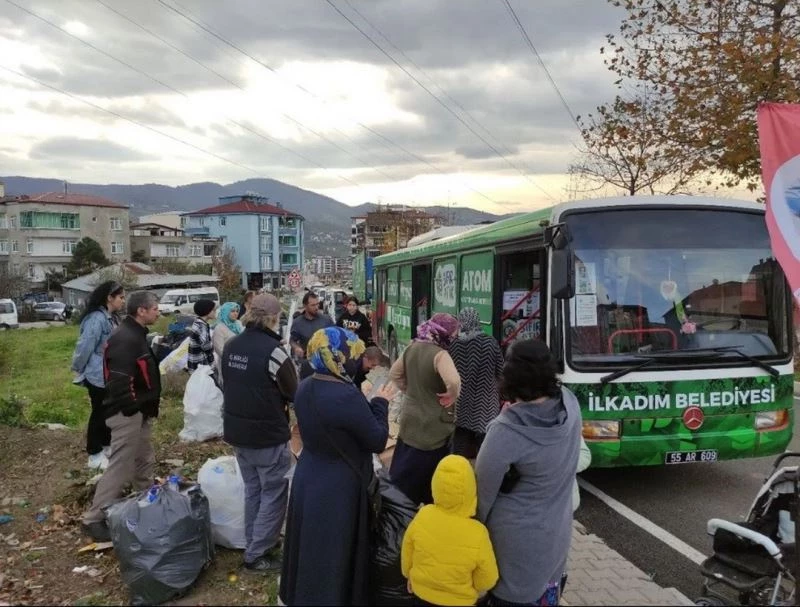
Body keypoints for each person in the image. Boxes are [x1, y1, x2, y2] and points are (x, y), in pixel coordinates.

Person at [279, 327, 397, 606]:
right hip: (339, 486)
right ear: (338, 357)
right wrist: (380, 403)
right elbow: (377, 440)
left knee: (309, 547)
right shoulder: (345, 395)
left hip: (309, 475)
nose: (356, 362)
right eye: (352, 355)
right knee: (335, 552)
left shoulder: (306, 385)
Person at [475, 340, 581, 606]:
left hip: (513, 547)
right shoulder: (570, 405)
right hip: (556, 535)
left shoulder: (505, 431)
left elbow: (481, 499)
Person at [222, 293, 297, 573]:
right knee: (274, 492)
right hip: (267, 433)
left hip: (237, 432)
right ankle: (257, 554)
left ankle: (254, 540)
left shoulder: (231, 345)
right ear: (273, 319)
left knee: (254, 490)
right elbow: (293, 391)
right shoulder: (274, 351)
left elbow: (225, 381)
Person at [81, 291, 162, 542]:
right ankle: (93, 519)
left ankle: (146, 503)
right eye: (155, 308)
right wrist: (132, 409)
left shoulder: (135, 334)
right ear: (141, 311)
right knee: (121, 464)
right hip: (127, 413)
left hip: (140, 411)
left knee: (143, 458)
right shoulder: (125, 338)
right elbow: (118, 380)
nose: (159, 312)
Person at [401, 455, 499, 607]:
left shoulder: (423, 515)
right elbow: (488, 578)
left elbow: (407, 551)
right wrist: (475, 587)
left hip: (422, 595)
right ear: (471, 489)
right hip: (459, 601)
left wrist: (409, 575)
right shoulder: (478, 533)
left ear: (435, 484)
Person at [389, 312, 461, 506]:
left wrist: (409, 390)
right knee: (429, 469)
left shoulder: (412, 347)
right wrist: (451, 395)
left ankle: (401, 503)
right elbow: (453, 381)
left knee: (406, 462)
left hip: (410, 416)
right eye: (453, 334)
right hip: (433, 423)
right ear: (444, 333)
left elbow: (394, 373)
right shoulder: (440, 354)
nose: (454, 338)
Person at [70, 281, 126, 470]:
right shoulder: (96, 319)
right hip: (97, 374)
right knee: (99, 413)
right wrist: (78, 368)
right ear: (109, 298)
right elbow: (85, 346)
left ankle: (106, 446)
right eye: (120, 297)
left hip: (110, 374)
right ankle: (94, 453)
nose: (123, 301)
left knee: (109, 411)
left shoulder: (112, 318)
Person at [448, 307, 504, 460]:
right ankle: (482, 473)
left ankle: (454, 468)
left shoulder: (454, 345)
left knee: (460, 440)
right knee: (485, 445)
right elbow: (501, 371)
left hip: (461, 401)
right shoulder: (490, 343)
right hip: (485, 402)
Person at [289, 291, 332, 359]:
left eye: (317, 304)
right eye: (313, 305)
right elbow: (292, 340)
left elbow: (335, 336)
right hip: (307, 361)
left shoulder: (326, 319)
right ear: (305, 306)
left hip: (326, 361)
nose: (316, 307)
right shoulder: (297, 323)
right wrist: (296, 347)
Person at [213, 301, 243, 384]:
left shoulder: (239, 324)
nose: (235, 313)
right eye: (232, 311)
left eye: (237, 311)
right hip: (228, 363)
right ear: (226, 311)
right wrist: (234, 359)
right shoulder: (219, 328)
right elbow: (219, 349)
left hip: (242, 362)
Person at [187, 299, 216, 372]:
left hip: (195, 361)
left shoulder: (198, 322)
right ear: (207, 311)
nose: (215, 312)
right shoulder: (201, 326)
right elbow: (206, 346)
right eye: (213, 310)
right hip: (200, 363)